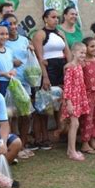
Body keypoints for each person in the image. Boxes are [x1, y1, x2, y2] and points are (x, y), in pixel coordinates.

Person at [33, 8, 71, 150]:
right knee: (45, 106)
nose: (56, 19)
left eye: (57, 17)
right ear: (45, 19)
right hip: (49, 70)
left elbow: (67, 52)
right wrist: (45, 76)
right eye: (53, 17)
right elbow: (40, 57)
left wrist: (70, 71)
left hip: (61, 69)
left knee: (60, 103)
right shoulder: (40, 34)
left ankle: (61, 132)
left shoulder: (60, 33)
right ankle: (41, 137)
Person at [3, 13, 35, 159]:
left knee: (26, 114)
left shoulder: (23, 40)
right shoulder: (3, 41)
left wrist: (31, 49)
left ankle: (23, 142)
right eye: (10, 24)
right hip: (10, 83)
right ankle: (12, 146)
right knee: (10, 115)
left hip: (24, 82)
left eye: (15, 23)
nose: (13, 27)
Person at [60, 43, 89, 161]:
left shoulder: (79, 66)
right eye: (81, 52)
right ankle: (72, 151)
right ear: (73, 52)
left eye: (84, 52)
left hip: (78, 97)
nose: (83, 55)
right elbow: (67, 86)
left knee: (75, 124)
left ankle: (70, 149)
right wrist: (69, 102)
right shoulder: (70, 67)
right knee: (74, 124)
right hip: (72, 99)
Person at [0, 22, 15, 96]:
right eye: (2, 34)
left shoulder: (9, 50)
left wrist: (13, 71)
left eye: (6, 34)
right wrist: (4, 74)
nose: (5, 36)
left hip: (11, 82)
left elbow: (11, 65)